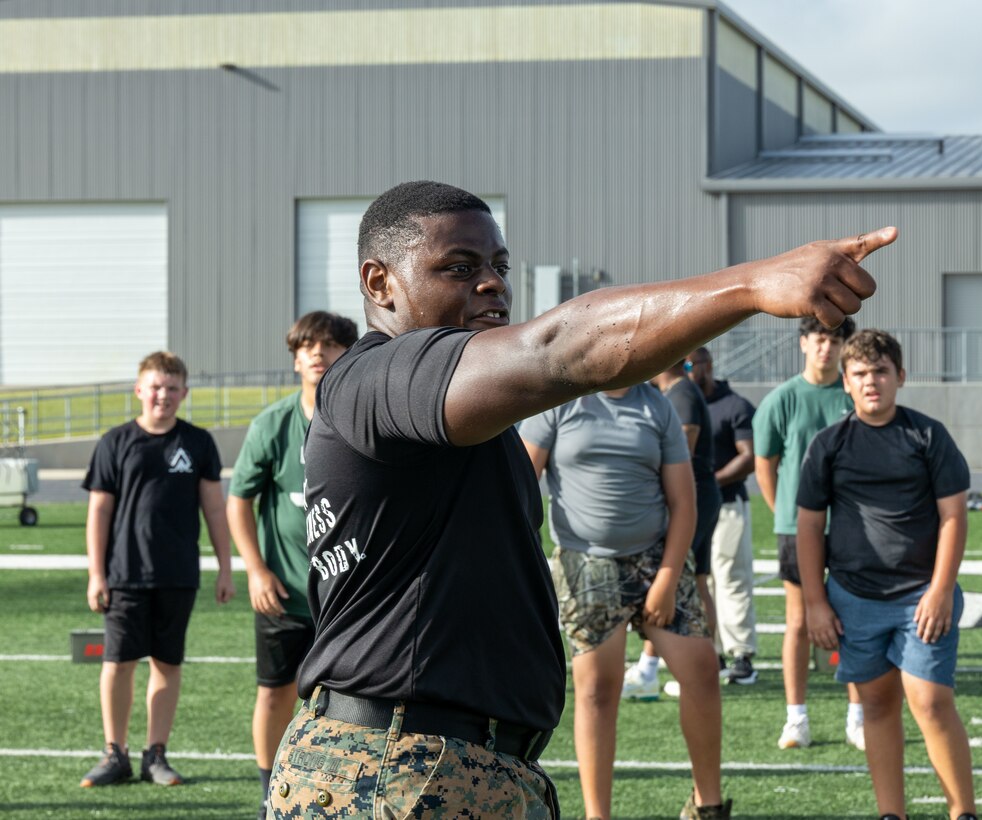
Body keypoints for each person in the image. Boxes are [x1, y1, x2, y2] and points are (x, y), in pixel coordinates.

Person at [266, 179, 896, 819]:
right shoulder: (377, 377)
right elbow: (558, 353)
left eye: (498, 266)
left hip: (437, 763)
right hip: (396, 770)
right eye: (459, 267)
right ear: (380, 284)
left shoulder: (434, 411)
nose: (492, 284)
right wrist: (755, 285)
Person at [520, 384, 728, 820]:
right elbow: (520, 485)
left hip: (656, 559)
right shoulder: (559, 402)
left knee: (702, 668)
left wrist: (668, 578)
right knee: (596, 690)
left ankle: (707, 804)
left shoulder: (657, 407)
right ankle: (598, 815)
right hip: (587, 564)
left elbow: (683, 501)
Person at [796, 330, 977, 820]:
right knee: (876, 704)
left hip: (921, 595)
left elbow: (953, 517)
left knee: (931, 700)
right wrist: (815, 600)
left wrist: (940, 590)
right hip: (854, 596)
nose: (871, 381)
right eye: (860, 373)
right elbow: (809, 526)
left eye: (880, 371)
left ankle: (963, 812)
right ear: (846, 384)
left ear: (900, 376)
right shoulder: (829, 444)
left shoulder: (928, 435)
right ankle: (890, 814)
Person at [80, 352, 236, 788]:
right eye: (154, 386)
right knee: (118, 663)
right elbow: (99, 512)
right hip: (124, 575)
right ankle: (115, 754)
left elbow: (215, 510)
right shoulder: (115, 442)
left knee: (167, 664)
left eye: (171, 388)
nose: (162, 395)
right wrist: (97, 573)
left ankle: (156, 755)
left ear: (183, 393)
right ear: (138, 390)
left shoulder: (198, 442)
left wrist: (226, 569)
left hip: (178, 574)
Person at [226, 311, 357, 819]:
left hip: (348, 596)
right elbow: (239, 500)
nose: (317, 354)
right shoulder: (272, 424)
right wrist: (256, 571)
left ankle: (342, 784)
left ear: (349, 351)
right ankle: (268, 789)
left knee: (351, 699)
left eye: (328, 344)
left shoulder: (364, 418)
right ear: (295, 358)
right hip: (284, 593)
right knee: (274, 691)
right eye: (306, 347)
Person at [753, 316, 865, 750]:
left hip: (853, 527)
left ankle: (857, 717)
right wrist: (788, 515)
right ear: (804, 343)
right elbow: (766, 466)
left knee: (853, 621)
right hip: (796, 530)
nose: (827, 347)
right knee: (799, 621)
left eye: (836, 340)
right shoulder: (782, 398)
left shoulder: (854, 394)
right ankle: (796, 718)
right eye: (820, 338)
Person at [622, 361, 722, 702]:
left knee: (674, 580)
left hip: (692, 498)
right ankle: (708, 658)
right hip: (701, 495)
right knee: (697, 581)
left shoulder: (680, 394)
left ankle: (649, 669)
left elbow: (681, 452)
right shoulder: (679, 391)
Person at [686, 347, 759, 685]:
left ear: (708, 365)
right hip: (690, 507)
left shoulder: (735, 406)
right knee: (702, 579)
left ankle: (741, 653)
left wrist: (711, 482)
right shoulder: (677, 401)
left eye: (692, 364)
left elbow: (749, 457)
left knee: (730, 576)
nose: (687, 371)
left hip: (727, 503)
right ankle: (708, 651)